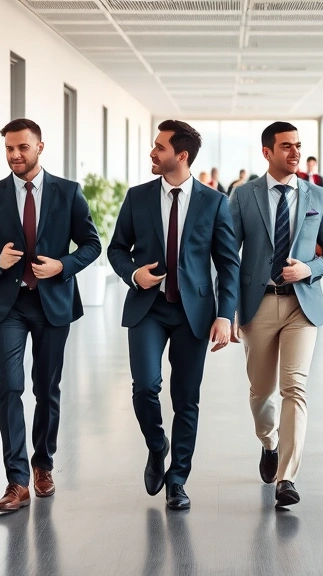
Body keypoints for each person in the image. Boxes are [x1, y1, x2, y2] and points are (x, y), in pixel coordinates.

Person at [0, 118, 101, 513]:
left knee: (47, 388)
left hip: (52, 303)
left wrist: (63, 266)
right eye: (9, 149)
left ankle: (42, 464)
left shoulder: (68, 192)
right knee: (10, 386)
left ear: (39, 147)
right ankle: (16, 480)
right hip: (8, 305)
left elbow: (92, 244)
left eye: (22, 148)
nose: (14, 155)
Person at [107, 120, 240, 510]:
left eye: (159, 147)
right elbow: (116, 249)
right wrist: (134, 273)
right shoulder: (137, 197)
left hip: (193, 313)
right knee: (145, 387)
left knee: (186, 399)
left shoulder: (214, 202)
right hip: (148, 308)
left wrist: (225, 315)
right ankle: (156, 444)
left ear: (181, 156)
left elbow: (228, 264)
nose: (153, 153)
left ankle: (178, 479)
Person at [229, 121, 323, 507]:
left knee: (294, 387)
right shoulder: (244, 196)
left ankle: (287, 478)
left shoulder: (318, 195)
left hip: (302, 304)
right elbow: (229, 256)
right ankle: (270, 442)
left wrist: (309, 269)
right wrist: (225, 309)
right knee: (261, 392)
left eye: (298, 145)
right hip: (257, 303)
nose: (295, 152)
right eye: (286, 146)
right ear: (267, 152)